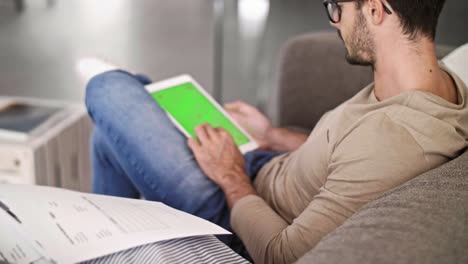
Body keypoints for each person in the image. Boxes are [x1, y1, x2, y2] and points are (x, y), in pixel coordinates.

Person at [85, 0, 468, 263]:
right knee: (108, 135)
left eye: (338, 5)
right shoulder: (442, 85)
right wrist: (271, 136)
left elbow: (282, 255)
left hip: (234, 211)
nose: (334, 20)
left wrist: (231, 176)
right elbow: (347, 156)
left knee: (107, 89)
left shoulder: (396, 141)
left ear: (375, 9)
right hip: (265, 167)